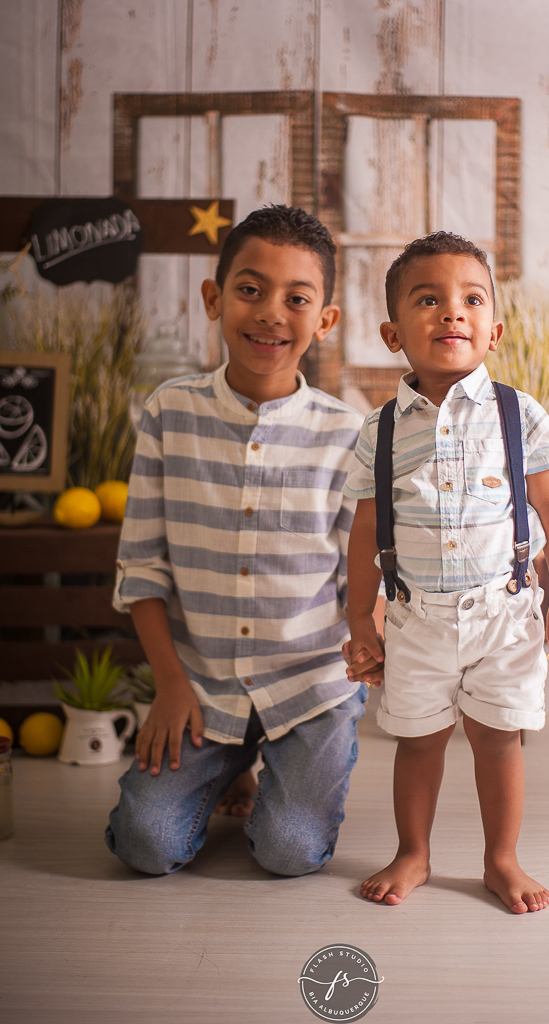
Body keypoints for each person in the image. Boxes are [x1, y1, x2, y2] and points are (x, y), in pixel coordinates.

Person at [105, 205, 382, 876]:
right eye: (250, 289)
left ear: (325, 321)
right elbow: (142, 572)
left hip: (311, 687)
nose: (270, 314)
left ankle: (273, 768)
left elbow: (362, 573)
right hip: (202, 688)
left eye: (297, 299)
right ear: (214, 298)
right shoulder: (168, 413)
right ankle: (230, 760)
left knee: (288, 852)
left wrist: (372, 643)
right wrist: (170, 687)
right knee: (145, 843)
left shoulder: (351, 433)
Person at [343, 232, 549, 912]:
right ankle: (413, 852)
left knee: (497, 739)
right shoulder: (382, 430)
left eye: (470, 299)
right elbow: (365, 530)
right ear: (394, 333)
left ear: (494, 329)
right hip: (414, 616)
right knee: (418, 741)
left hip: (505, 612)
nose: (453, 312)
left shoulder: (520, 415)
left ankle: (500, 858)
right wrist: (359, 618)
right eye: (429, 299)